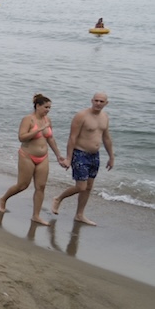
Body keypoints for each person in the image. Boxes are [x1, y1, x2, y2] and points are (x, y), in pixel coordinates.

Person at [0, 94, 68, 224]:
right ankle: (3, 199)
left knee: (41, 186)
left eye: (49, 108)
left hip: (43, 157)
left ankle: (36, 215)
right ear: (37, 106)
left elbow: (50, 138)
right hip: (27, 156)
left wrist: (58, 155)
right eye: (46, 107)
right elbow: (22, 137)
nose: (48, 110)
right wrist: (38, 130)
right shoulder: (28, 119)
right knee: (22, 185)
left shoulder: (48, 120)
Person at [52, 93, 114, 225]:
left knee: (89, 186)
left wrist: (111, 156)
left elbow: (106, 138)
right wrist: (68, 158)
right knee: (81, 186)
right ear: (92, 100)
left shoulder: (105, 117)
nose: (98, 103)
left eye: (101, 101)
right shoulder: (81, 116)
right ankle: (58, 198)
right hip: (80, 153)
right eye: (96, 100)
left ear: (106, 103)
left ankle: (79, 215)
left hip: (95, 155)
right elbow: (72, 137)